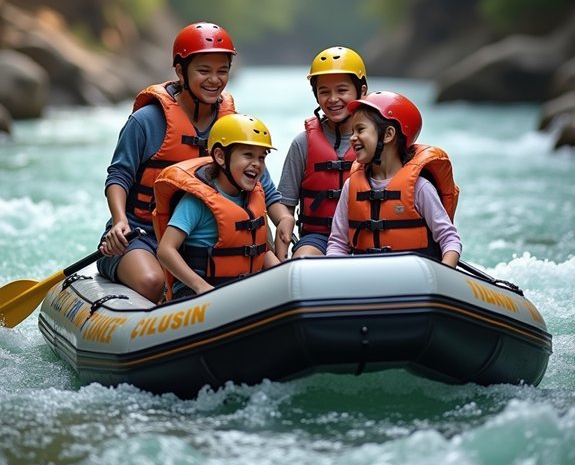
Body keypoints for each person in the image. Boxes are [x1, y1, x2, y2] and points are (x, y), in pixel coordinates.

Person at [98, 22, 293, 302]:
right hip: (140, 234)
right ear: (180, 71)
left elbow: (264, 185)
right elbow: (119, 176)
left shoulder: (232, 125)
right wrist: (119, 222)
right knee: (153, 283)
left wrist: (284, 218)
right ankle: (119, 270)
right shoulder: (146, 121)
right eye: (204, 70)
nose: (214, 80)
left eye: (222, 71)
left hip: (203, 236)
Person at [326, 90, 461, 266]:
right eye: (352, 131)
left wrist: (445, 273)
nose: (352, 137)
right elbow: (337, 243)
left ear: (388, 135)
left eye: (360, 129)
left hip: (415, 278)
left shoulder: (420, 187)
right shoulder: (351, 186)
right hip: (366, 276)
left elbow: (449, 239)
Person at [154, 114, 280, 298]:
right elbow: (166, 250)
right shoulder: (196, 202)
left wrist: (283, 274)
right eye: (248, 155)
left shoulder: (252, 198)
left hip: (240, 292)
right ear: (220, 156)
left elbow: (261, 251)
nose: (257, 164)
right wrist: (200, 287)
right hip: (198, 292)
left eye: (261, 158)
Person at [276, 46, 368, 259]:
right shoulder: (303, 143)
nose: (333, 99)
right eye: (324, 91)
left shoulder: (378, 142)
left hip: (367, 234)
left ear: (361, 91)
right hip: (318, 237)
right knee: (304, 257)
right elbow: (285, 205)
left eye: (342, 90)